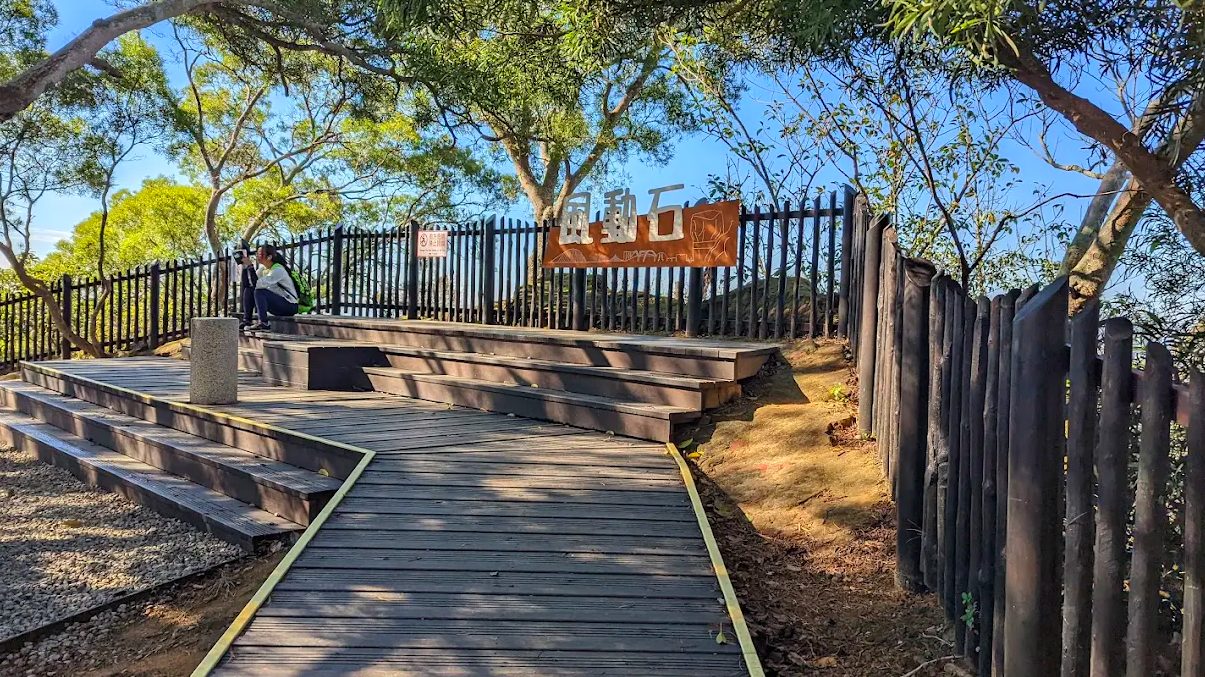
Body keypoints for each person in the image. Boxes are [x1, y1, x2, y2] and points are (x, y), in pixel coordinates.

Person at [242, 244, 298, 330]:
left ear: (269, 257)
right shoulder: (262, 269)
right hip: (277, 305)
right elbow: (248, 284)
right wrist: (245, 267)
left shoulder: (278, 270)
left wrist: (250, 266)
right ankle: (247, 321)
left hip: (290, 306)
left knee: (259, 291)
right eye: (257, 253)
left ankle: (264, 323)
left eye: (260, 254)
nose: (257, 256)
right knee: (249, 290)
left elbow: (257, 284)